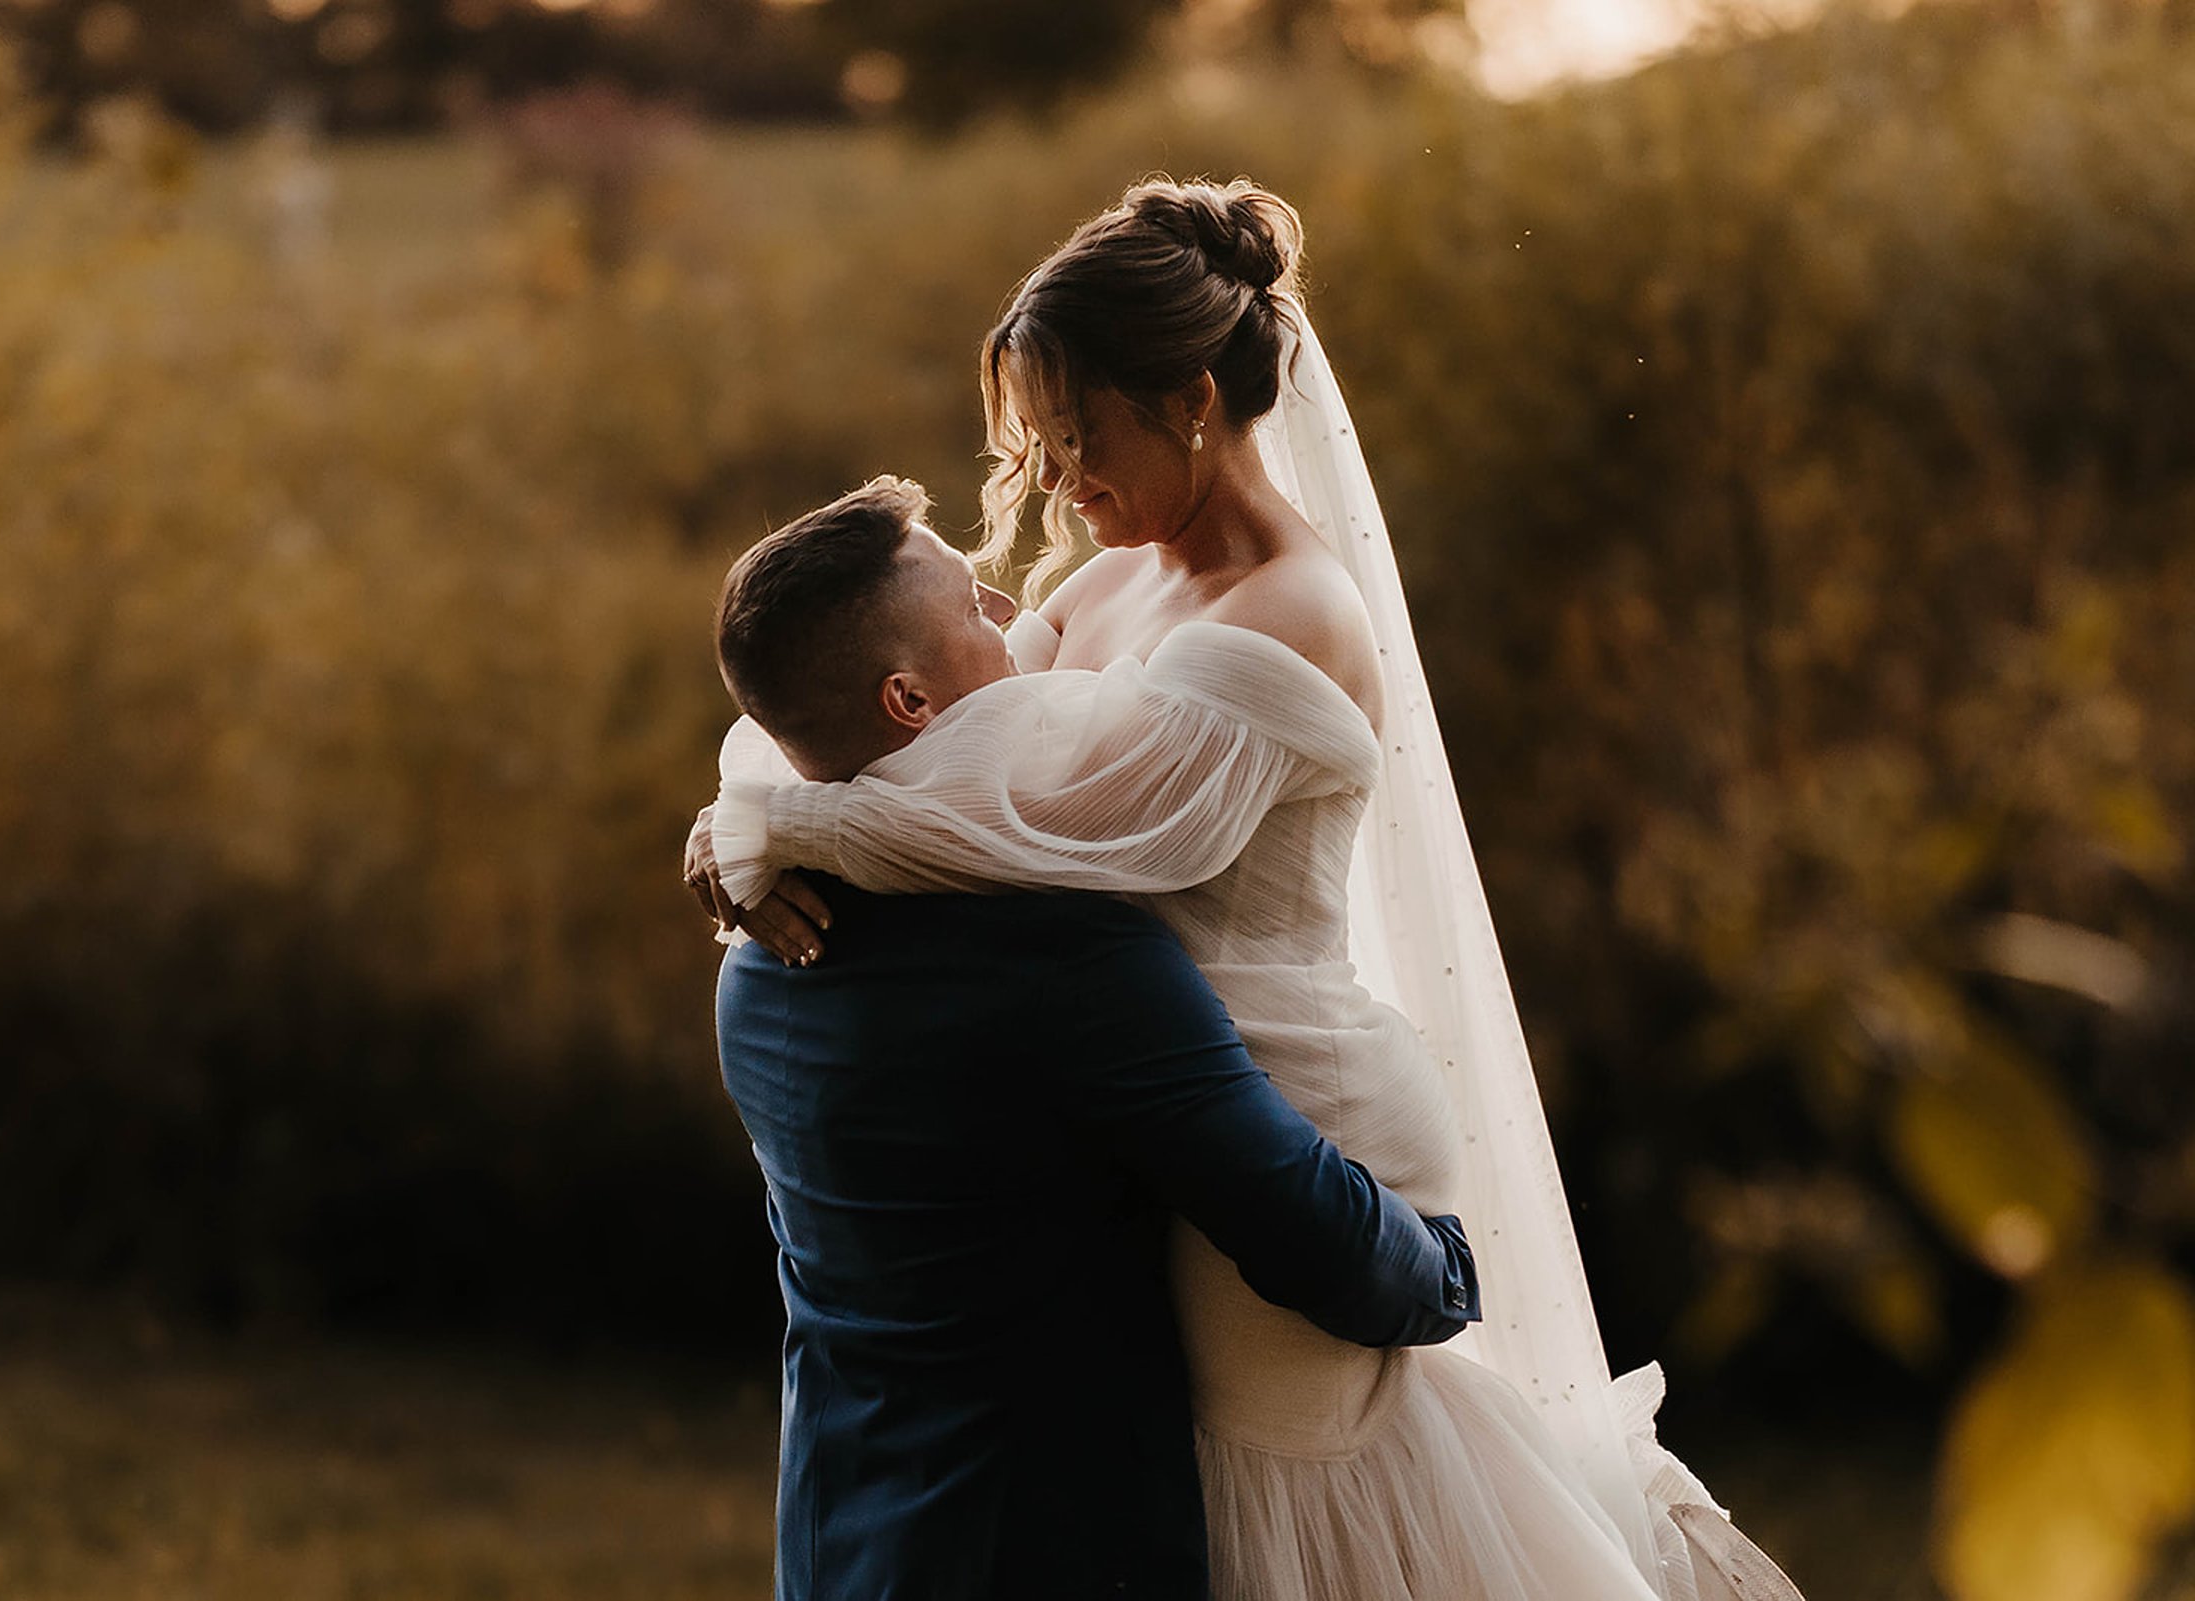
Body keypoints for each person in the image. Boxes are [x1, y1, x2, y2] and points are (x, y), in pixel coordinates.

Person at [691, 180, 1805, 1601]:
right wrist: (761, 817)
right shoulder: (1104, 592)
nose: (1055, 475)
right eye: (1040, 435)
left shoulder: (1289, 614)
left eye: (1082, 433)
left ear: (1197, 401)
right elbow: (907, 743)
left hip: (1279, 1117)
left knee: (1273, 1513)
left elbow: (1025, 824)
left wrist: (763, 826)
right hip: (1140, 1100)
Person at [704, 476, 1483, 1601]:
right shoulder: (1067, 958)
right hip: (1045, 1550)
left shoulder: (756, 956)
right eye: (970, 602)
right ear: (910, 698)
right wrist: (1446, 1271)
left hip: (842, 1543)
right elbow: (1297, 1221)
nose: (1006, 601)